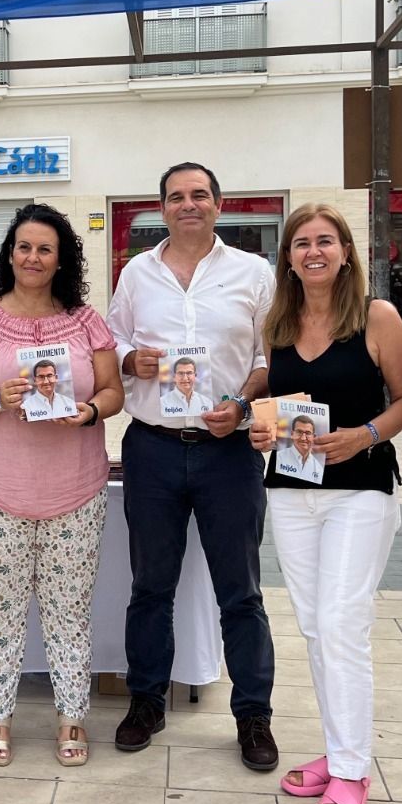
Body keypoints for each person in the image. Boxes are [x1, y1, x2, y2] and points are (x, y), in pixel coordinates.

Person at [250, 202, 402, 804]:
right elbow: (270, 405)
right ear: (287, 258)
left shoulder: (376, 316)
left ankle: (352, 769)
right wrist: (258, 432)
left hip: (360, 489)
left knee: (344, 624)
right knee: (317, 628)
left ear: (346, 251)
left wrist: (366, 434)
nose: (313, 252)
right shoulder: (278, 321)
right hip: (292, 492)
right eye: (301, 244)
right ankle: (338, 747)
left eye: (325, 241)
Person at [107, 162, 279, 772]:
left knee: (242, 591)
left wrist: (241, 403)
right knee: (150, 586)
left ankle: (253, 715)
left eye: (199, 195)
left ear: (218, 203)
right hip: (152, 446)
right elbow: (112, 340)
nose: (188, 205)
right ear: (161, 207)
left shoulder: (253, 273)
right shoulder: (136, 272)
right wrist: (133, 359)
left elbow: (267, 356)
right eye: (176, 196)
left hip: (226, 451)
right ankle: (146, 701)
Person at [0, 203, 124, 769]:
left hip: (75, 489)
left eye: (45, 248)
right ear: (10, 253)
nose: (33, 257)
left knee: (69, 610)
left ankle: (73, 715)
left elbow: (114, 391)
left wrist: (91, 412)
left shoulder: (88, 321)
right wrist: (0, 398)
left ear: (61, 257)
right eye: (24, 247)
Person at [276, 414, 323, 484]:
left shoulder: (318, 468)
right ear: (292, 434)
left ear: (314, 437)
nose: (303, 438)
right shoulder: (279, 458)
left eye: (308, 433)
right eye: (299, 432)